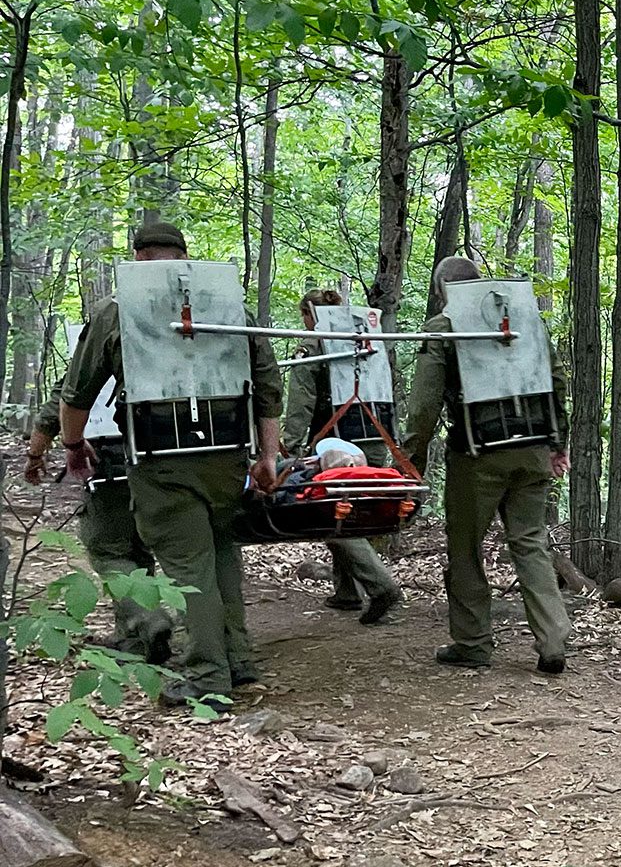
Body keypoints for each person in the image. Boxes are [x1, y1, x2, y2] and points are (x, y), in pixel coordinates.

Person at [59, 221, 283, 707]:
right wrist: (269, 455)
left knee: (188, 567)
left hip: (163, 460)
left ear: (138, 259)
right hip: (228, 456)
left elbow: (78, 391)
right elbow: (268, 386)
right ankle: (238, 659)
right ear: (184, 257)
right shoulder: (227, 306)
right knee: (221, 552)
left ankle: (208, 674)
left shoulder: (118, 311)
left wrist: (72, 445)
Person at [402, 256, 571, 674]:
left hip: (477, 455)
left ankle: (473, 643)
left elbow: (424, 403)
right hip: (533, 448)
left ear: (442, 291)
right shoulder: (524, 320)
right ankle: (552, 642)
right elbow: (557, 381)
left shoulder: (444, 326)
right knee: (530, 542)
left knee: (465, 547)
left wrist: (411, 458)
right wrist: (557, 443)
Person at [281, 287, 405, 625]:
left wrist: (289, 450)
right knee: (351, 514)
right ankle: (347, 591)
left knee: (331, 518)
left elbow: (301, 402)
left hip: (336, 446)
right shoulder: (364, 338)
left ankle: (380, 586)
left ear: (310, 315)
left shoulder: (312, 346)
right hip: (376, 438)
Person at [23, 398, 173, 664]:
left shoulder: (98, 355)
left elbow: (68, 397)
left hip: (111, 457)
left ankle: (149, 619)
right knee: (137, 549)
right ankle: (131, 639)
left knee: (108, 552)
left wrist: (35, 453)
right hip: (166, 452)